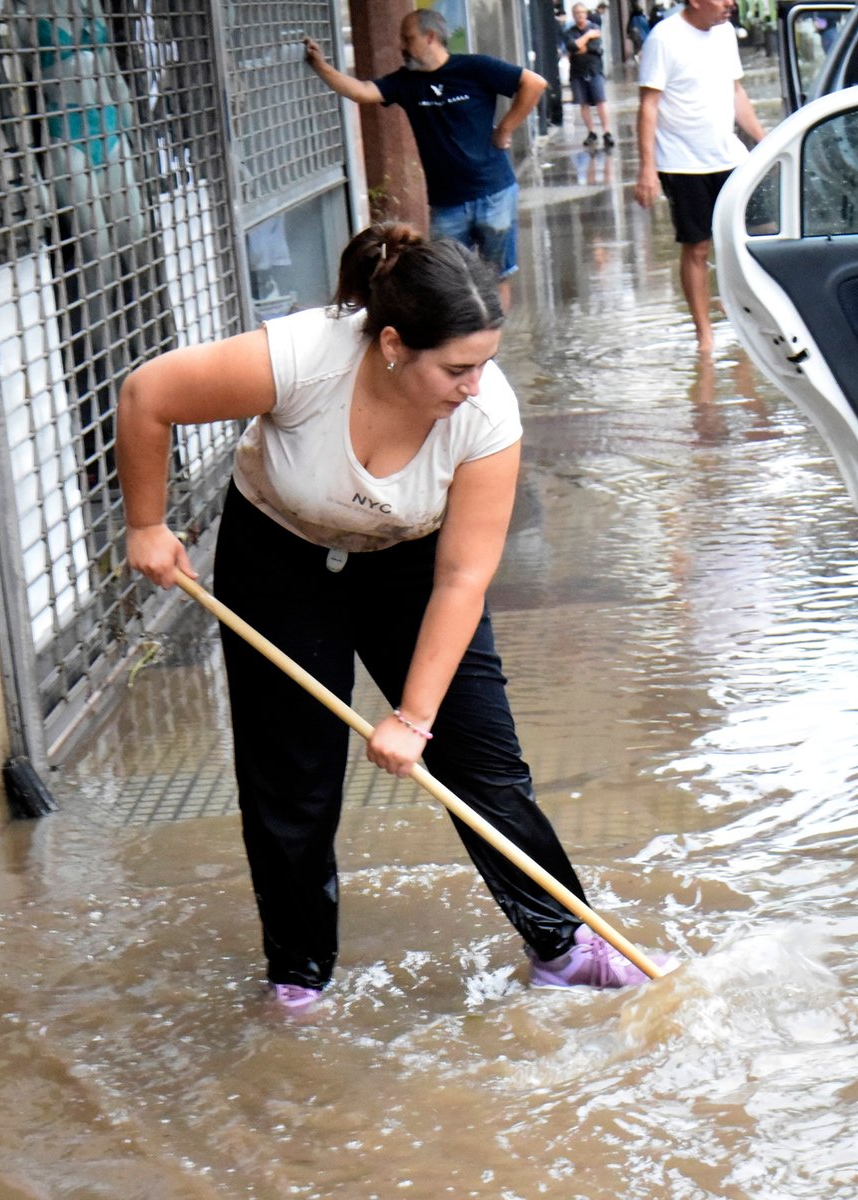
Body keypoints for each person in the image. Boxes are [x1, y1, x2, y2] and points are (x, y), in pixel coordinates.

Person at [116, 225, 660, 1009]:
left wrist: (414, 716)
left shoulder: (486, 414)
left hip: (413, 564)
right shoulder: (303, 358)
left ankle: (562, 945)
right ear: (396, 344)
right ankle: (298, 977)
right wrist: (146, 523)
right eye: (457, 368)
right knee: (293, 781)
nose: (476, 384)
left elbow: (464, 578)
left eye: (486, 363)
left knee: (482, 765)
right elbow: (147, 395)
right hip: (281, 554)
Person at [303, 11, 547, 310]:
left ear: (430, 37)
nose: (402, 46)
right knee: (445, 278)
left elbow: (534, 83)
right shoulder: (406, 83)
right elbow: (361, 92)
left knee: (496, 275)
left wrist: (506, 128)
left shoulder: (474, 68)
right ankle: (457, 341)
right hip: (447, 203)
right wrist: (321, 66)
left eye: (408, 39)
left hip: (494, 192)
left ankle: (489, 350)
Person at [634, 0, 766, 356]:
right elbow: (649, 105)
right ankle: (704, 335)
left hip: (729, 155)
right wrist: (646, 168)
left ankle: (741, 313)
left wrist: (765, 141)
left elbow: (736, 91)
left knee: (748, 240)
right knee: (697, 246)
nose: (731, 4)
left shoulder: (725, 34)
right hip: (682, 162)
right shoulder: (664, 38)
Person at [564, 4, 614, 148]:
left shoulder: (595, 29)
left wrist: (579, 47)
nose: (580, 15)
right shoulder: (569, 32)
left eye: (582, 12)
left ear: (586, 14)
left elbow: (595, 48)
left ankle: (606, 132)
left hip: (594, 70)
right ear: (573, 15)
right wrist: (587, 37)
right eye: (577, 13)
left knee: (601, 101)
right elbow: (571, 47)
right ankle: (591, 132)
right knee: (583, 103)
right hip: (577, 72)